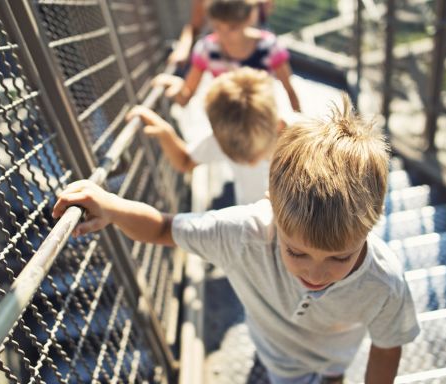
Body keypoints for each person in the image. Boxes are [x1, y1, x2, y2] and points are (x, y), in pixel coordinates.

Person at [52, 94, 420, 384]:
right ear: (269, 205)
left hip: (336, 351)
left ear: (372, 225)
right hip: (278, 358)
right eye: (296, 252)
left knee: (332, 373)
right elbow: (164, 228)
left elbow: (387, 348)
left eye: (339, 258)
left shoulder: (384, 284)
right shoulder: (243, 234)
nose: (316, 272)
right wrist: (112, 207)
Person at [130, 67, 283, 205]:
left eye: (256, 155)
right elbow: (185, 162)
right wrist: (165, 133)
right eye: (237, 158)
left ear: (279, 127)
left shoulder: (303, 141)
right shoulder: (227, 139)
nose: (250, 163)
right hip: (253, 217)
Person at [160, 0, 301, 112]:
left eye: (232, 28)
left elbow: (290, 91)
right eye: (217, 27)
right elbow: (185, 98)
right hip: (226, 118)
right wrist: (178, 88)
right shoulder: (207, 50)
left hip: (261, 115)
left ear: (249, 18)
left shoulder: (270, 47)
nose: (224, 35)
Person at [168, 0, 275, 66]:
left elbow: (265, 12)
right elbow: (194, 27)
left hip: (255, 43)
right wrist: (183, 48)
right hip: (220, 46)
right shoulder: (208, 46)